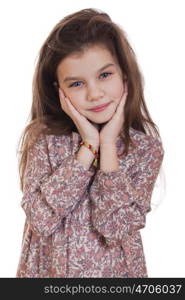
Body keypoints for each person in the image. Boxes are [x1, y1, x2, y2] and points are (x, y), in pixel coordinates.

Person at [16, 8, 164, 278]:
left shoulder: (145, 149)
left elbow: (115, 227)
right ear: (58, 90)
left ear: (125, 75)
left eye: (105, 75)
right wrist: (88, 147)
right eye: (76, 84)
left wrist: (107, 146)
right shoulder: (45, 140)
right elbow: (40, 219)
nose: (95, 94)